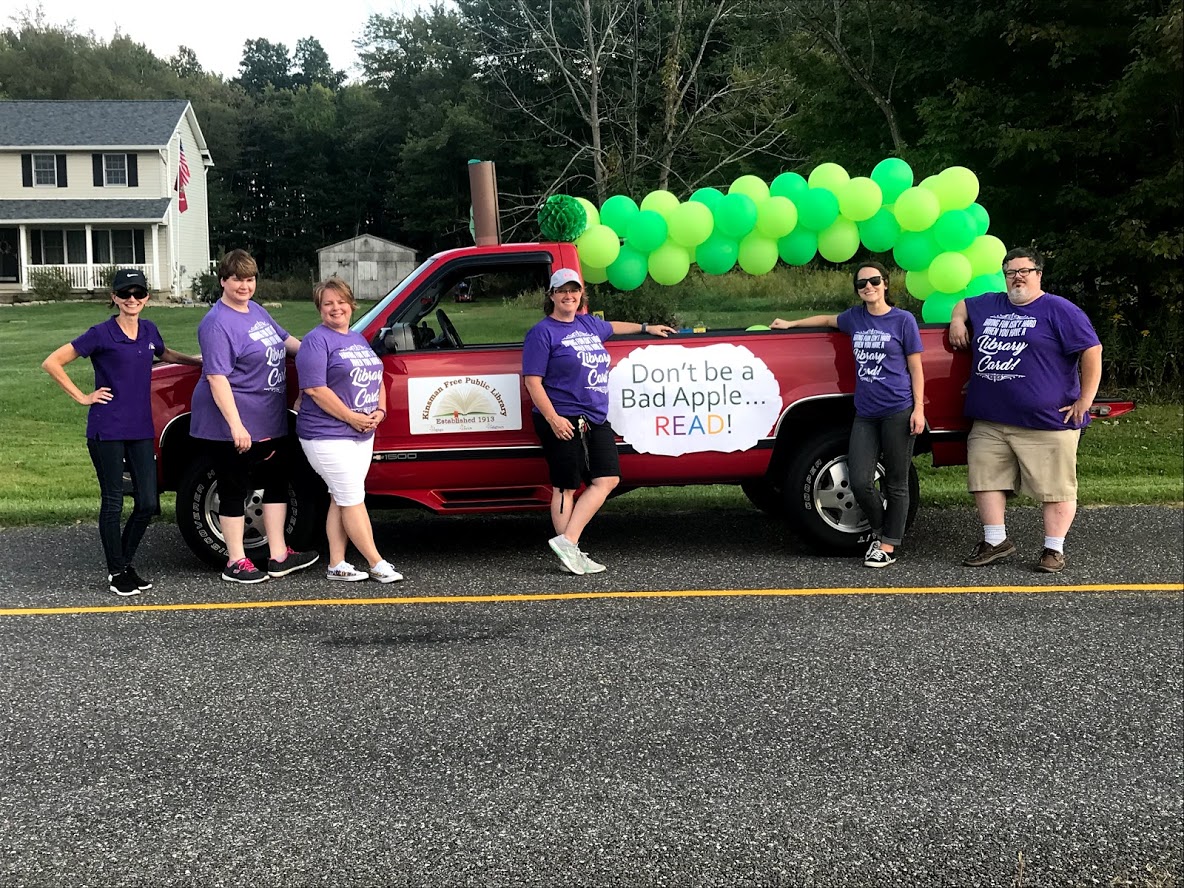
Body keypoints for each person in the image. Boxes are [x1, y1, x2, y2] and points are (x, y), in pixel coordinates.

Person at [42, 268, 203, 596]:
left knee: (147, 502)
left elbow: (165, 353)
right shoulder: (100, 334)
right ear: (114, 298)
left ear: (146, 298)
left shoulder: (148, 330)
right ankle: (117, 572)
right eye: (125, 294)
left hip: (141, 429)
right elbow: (52, 362)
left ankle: (123, 563)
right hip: (107, 429)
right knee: (113, 502)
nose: (132, 299)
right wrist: (83, 397)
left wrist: (199, 363)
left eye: (138, 293)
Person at [948, 247, 1102, 573]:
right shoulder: (990, 303)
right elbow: (962, 303)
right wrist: (957, 321)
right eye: (1010, 272)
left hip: (1046, 421)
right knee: (985, 478)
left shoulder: (1060, 310)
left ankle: (1053, 549)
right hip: (991, 418)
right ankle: (995, 541)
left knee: (1056, 487)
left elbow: (1092, 350)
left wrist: (1085, 400)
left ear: (1038, 274)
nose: (1017, 277)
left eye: (1024, 271)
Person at [523, 268, 676, 575]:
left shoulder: (588, 324)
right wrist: (553, 419)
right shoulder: (543, 332)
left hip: (594, 416)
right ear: (551, 295)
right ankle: (570, 554)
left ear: (581, 295)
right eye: (562, 290)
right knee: (566, 486)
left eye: (574, 290)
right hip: (561, 417)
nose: (569, 295)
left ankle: (568, 542)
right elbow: (532, 382)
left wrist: (647, 327)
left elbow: (612, 326)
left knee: (607, 479)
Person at [771, 261, 924, 567]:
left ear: (886, 284)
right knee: (860, 480)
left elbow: (916, 367)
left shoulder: (903, 320)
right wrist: (791, 325)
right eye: (861, 283)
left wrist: (919, 409)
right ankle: (882, 532)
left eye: (874, 280)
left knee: (896, 481)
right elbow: (827, 319)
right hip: (865, 413)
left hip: (898, 409)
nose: (868, 286)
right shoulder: (855, 318)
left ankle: (888, 546)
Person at [190, 249, 319, 584]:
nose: (244, 286)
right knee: (234, 488)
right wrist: (236, 426)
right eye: (237, 279)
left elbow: (286, 341)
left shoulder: (256, 311)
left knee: (276, 482)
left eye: (250, 279)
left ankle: (279, 555)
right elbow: (216, 378)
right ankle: (235, 562)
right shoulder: (217, 323)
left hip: (269, 418)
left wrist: (323, 354)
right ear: (223, 281)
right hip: (232, 423)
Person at [296, 277, 403, 584]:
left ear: (351, 304)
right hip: (326, 434)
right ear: (319, 309)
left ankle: (337, 564)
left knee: (340, 497)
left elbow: (377, 378)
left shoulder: (356, 339)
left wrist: (379, 411)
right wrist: (351, 417)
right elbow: (315, 389)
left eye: (341, 302)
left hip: (360, 434)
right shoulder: (316, 341)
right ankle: (376, 562)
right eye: (328, 303)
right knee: (352, 497)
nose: (336, 308)